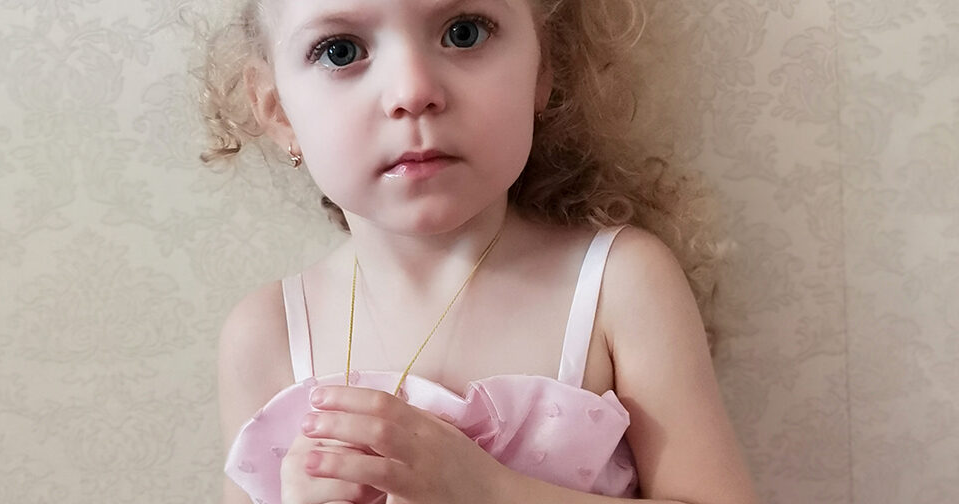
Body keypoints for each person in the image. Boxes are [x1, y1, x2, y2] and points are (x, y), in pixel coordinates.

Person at [201, 0, 756, 502]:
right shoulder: (267, 335)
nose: (412, 91)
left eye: (464, 32)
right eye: (340, 51)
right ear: (276, 110)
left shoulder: (619, 284)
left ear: (543, 68)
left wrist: (491, 491)